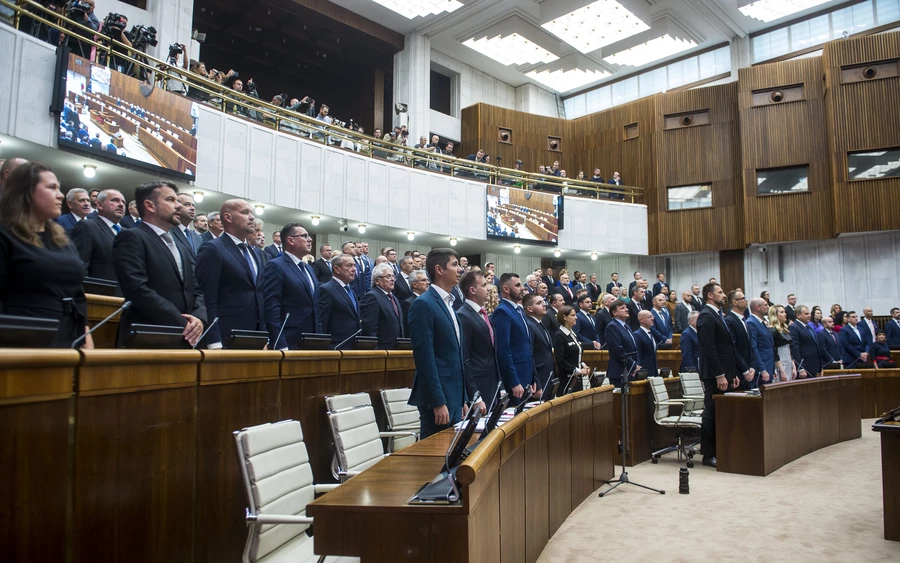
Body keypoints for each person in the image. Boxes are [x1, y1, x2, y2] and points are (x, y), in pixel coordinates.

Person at [0, 162, 92, 348]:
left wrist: (85, 333)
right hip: (21, 337)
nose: (61, 195)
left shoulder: (62, 239)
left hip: (68, 334)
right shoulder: (5, 234)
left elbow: (77, 293)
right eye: (52, 187)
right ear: (25, 192)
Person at [113, 181, 207, 348]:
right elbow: (137, 289)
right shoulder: (131, 237)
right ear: (150, 205)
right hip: (147, 336)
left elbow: (195, 288)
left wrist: (199, 317)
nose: (178, 206)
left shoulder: (180, 245)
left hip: (185, 337)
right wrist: (181, 321)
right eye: (171, 200)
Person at [407, 248, 467, 439]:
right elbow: (425, 358)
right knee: (436, 461)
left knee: (454, 458)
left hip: (455, 395)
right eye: (455, 265)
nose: (460, 270)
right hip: (438, 398)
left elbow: (455, 355)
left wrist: (462, 398)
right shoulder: (424, 304)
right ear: (439, 270)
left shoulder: (450, 304)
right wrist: (437, 402)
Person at [194, 199, 265, 349]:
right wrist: (213, 341)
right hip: (225, 338)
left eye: (251, 213)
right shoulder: (213, 249)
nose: (252, 217)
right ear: (228, 217)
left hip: (255, 337)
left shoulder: (256, 253)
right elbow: (207, 297)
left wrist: (265, 337)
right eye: (245, 212)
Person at [696, 283, 740, 468]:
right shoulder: (706, 315)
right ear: (709, 296)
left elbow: (727, 348)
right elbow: (709, 348)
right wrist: (720, 374)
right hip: (714, 374)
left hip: (724, 372)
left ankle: (720, 449)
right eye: (720, 292)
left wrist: (733, 373)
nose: (723, 295)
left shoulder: (718, 314)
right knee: (711, 412)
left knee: (720, 412)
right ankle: (708, 454)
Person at [261, 223, 318, 350]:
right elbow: (272, 307)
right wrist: (280, 342)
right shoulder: (276, 266)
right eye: (304, 236)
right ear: (290, 240)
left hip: (312, 340)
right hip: (289, 340)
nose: (310, 239)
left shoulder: (309, 269)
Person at [456, 270, 499, 407]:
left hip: (492, 382)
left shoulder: (482, 313)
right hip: (478, 385)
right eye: (485, 285)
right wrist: (474, 395)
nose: (489, 288)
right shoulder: (463, 315)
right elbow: (465, 358)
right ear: (473, 290)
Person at [69, 188, 125, 292]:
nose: (121, 204)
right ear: (99, 205)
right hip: (99, 299)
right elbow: (79, 268)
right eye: (115, 200)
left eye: (123, 202)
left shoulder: (127, 234)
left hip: (126, 300)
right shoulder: (87, 227)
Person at [492, 273, 535, 404]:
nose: (522, 288)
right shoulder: (502, 312)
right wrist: (513, 381)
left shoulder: (519, 310)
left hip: (527, 374)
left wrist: (533, 379)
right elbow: (503, 350)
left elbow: (527, 346)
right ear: (506, 289)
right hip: (516, 378)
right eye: (517, 285)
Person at [316, 255, 361, 349]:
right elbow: (322, 322)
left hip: (353, 347)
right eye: (349, 265)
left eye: (354, 266)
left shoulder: (350, 290)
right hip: (336, 347)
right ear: (337, 269)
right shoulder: (326, 289)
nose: (354, 269)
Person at [359, 263, 404, 350]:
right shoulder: (372, 297)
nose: (392, 279)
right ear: (377, 280)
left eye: (393, 276)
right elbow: (369, 328)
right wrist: (374, 351)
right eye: (388, 276)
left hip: (396, 349)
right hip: (381, 350)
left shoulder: (393, 297)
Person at [554, 305, 590, 393]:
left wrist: (583, 366)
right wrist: (577, 371)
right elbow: (560, 360)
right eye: (573, 315)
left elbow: (575, 355)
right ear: (565, 317)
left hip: (577, 378)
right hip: (566, 379)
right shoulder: (560, 335)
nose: (576, 317)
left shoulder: (572, 334)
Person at [523, 293, 554, 395]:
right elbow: (530, 355)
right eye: (539, 303)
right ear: (530, 309)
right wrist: (536, 382)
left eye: (544, 302)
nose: (544, 304)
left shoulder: (540, 323)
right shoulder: (529, 325)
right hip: (539, 379)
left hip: (548, 376)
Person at [724, 290, 755, 388]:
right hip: (738, 371)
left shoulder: (743, 320)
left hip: (748, 370)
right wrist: (744, 369)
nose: (746, 300)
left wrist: (752, 367)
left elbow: (750, 346)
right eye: (743, 298)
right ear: (735, 302)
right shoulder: (729, 320)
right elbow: (733, 348)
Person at [605, 300, 638, 388]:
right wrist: (633, 365)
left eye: (626, 307)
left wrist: (635, 365)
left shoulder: (626, 326)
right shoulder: (612, 326)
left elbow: (634, 348)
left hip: (630, 370)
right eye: (622, 308)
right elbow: (618, 349)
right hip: (619, 372)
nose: (626, 309)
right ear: (614, 312)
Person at [746, 298, 775, 387]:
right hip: (761, 367)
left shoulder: (761, 322)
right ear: (757, 307)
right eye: (765, 305)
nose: (768, 307)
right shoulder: (751, 323)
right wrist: (762, 370)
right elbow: (754, 347)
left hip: (769, 365)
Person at [789, 305, 821, 378]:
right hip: (804, 366)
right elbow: (794, 349)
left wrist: (819, 367)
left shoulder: (809, 327)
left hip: (813, 366)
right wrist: (800, 368)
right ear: (798, 315)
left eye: (809, 314)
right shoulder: (794, 327)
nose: (809, 316)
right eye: (806, 314)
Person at [171, 193, 202, 258]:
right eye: (187, 204)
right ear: (177, 207)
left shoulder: (198, 238)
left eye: (193, 205)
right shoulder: (168, 232)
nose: (192, 208)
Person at [768, 305, 795, 381]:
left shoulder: (785, 329)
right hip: (780, 363)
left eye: (785, 312)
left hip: (788, 361)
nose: (785, 314)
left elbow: (790, 350)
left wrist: (793, 366)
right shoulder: (772, 330)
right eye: (782, 312)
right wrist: (781, 370)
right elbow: (774, 351)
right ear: (775, 315)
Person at [401, 269, 429, 335]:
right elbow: (408, 328)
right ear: (415, 285)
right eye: (424, 280)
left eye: (427, 280)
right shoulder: (408, 303)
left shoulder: (429, 301)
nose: (428, 282)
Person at [633, 310, 659, 378]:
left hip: (653, 370)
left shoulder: (651, 333)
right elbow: (637, 353)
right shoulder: (637, 334)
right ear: (641, 319)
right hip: (643, 371)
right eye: (649, 317)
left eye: (652, 316)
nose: (652, 318)